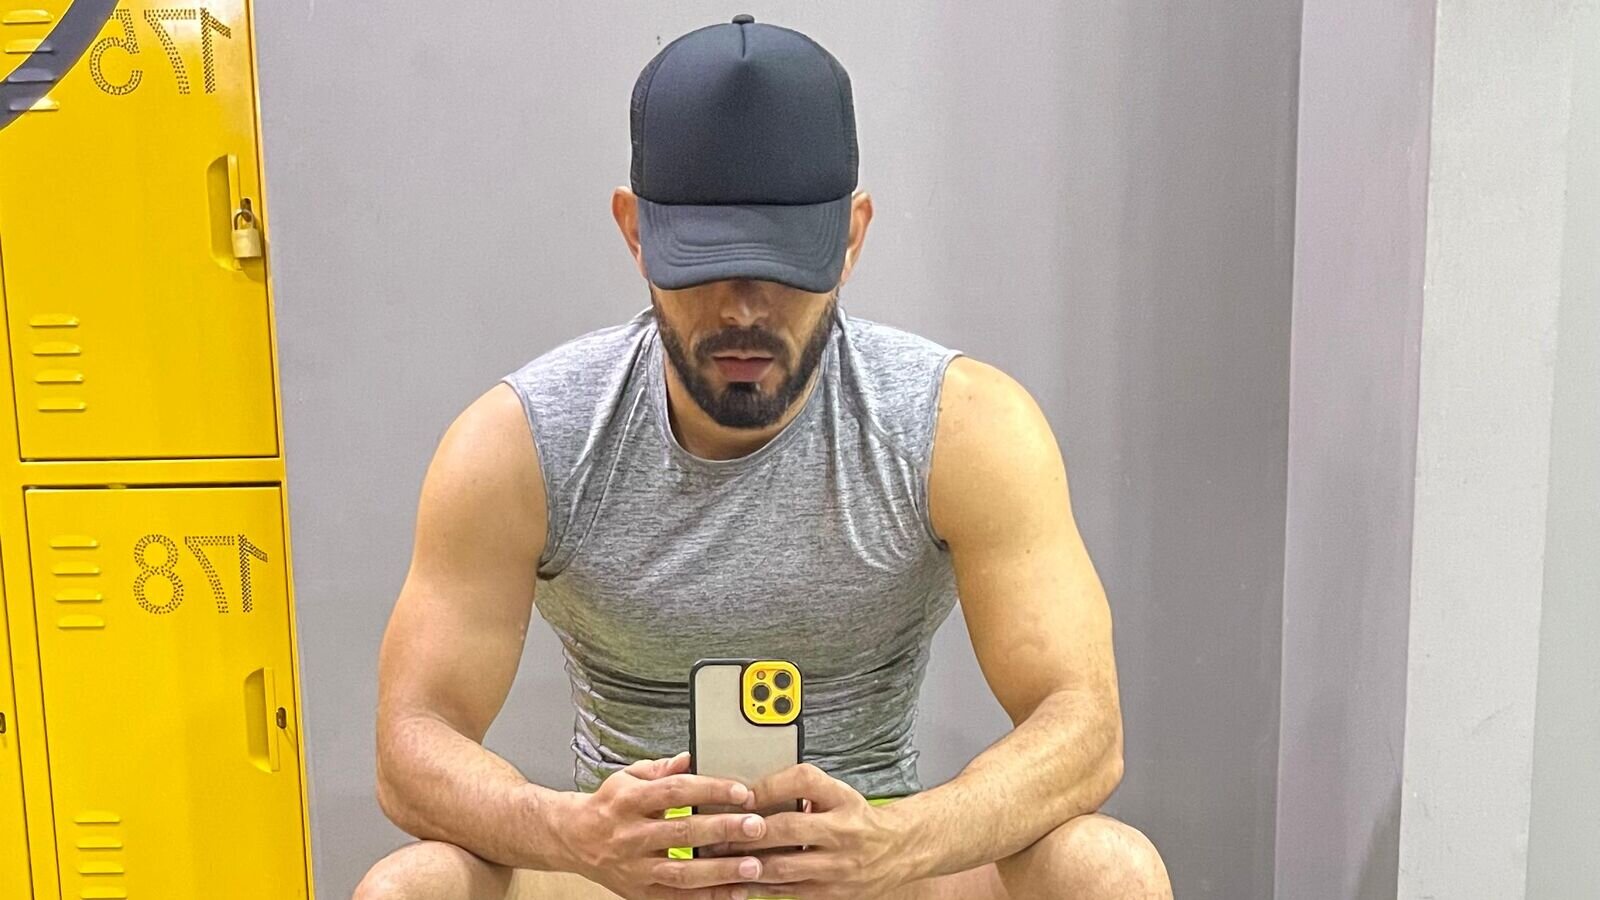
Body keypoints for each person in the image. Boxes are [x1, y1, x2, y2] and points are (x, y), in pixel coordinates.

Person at [355, 15, 1171, 900]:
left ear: (851, 237)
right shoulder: (523, 441)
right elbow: (412, 743)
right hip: (623, 873)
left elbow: (1084, 725)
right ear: (635, 233)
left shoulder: (963, 427)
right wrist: (572, 832)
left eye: (784, 269)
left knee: (1110, 870)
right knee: (410, 888)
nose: (744, 310)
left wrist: (901, 840)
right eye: (704, 266)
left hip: (875, 865)